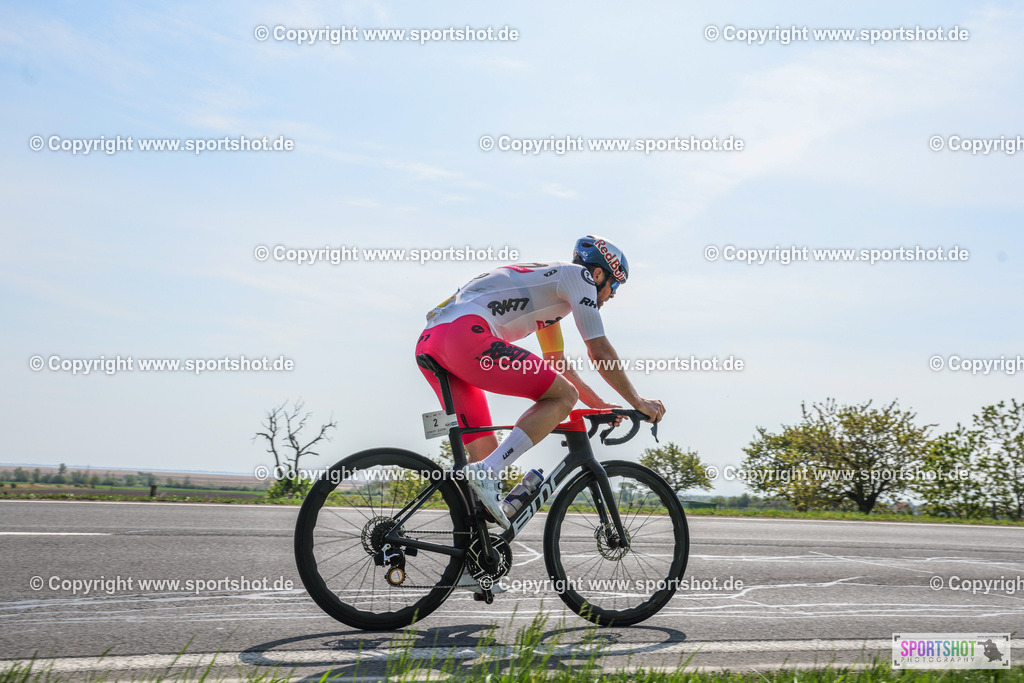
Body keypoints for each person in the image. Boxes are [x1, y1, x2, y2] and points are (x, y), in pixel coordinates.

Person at [414, 236, 665, 531]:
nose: (612, 296)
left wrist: (598, 405)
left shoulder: (552, 290)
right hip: (465, 335)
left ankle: (472, 567)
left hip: (431, 342)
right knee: (560, 399)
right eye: (615, 285)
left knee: (483, 456)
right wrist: (638, 401)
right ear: (598, 274)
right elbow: (598, 349)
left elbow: (556, 362)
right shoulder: (580, 277)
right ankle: (488, 471)